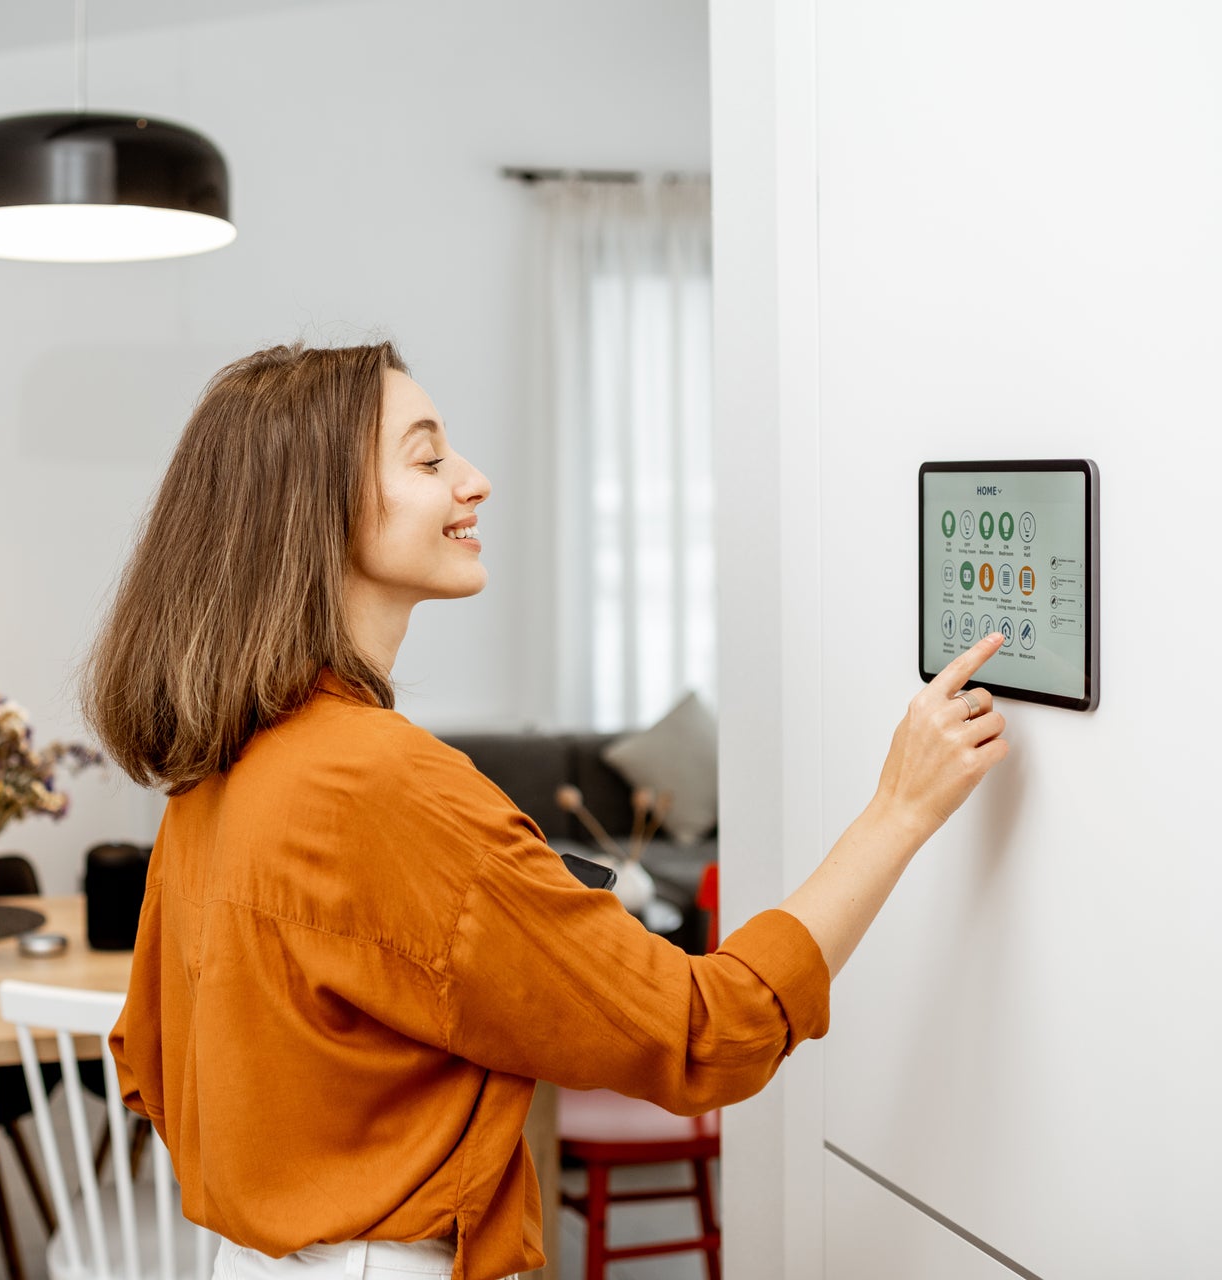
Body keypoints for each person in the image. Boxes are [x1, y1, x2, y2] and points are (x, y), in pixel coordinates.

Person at [84, 341, 1009, 1280]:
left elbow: (149, 1065)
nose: (474, 481)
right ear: (315, 509)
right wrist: (898, 810)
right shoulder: (382, 782)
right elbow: (707, 1033)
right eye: (429, 456)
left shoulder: (215, 766)